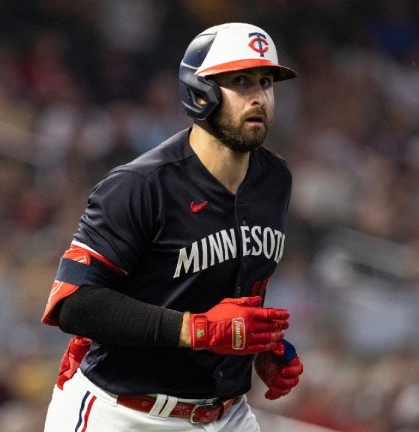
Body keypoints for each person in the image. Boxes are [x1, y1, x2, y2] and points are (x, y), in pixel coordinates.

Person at [40, 22, 304, 431]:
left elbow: (231, 294)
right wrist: (196, 330)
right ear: (201, 92)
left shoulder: (275, 180)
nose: (259, 97)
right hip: (124, 411)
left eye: (266, 82)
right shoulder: (140, 184)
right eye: (241, 81)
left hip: (226, 415)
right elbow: (75, 304)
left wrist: (258, 348)